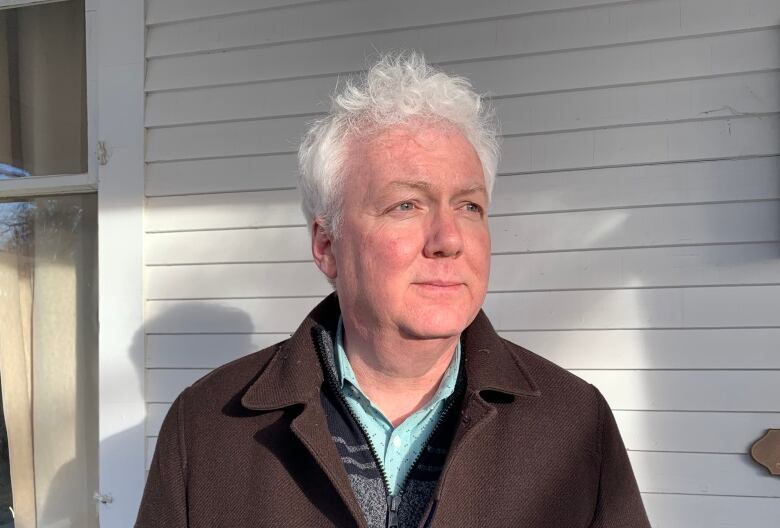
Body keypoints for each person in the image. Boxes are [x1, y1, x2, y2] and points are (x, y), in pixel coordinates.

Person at [136, 52, 651, 528]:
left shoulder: (572, 422)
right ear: (327, 245)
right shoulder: (208, 428)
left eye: (469, 206)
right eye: (406, 205)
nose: (449, 239)